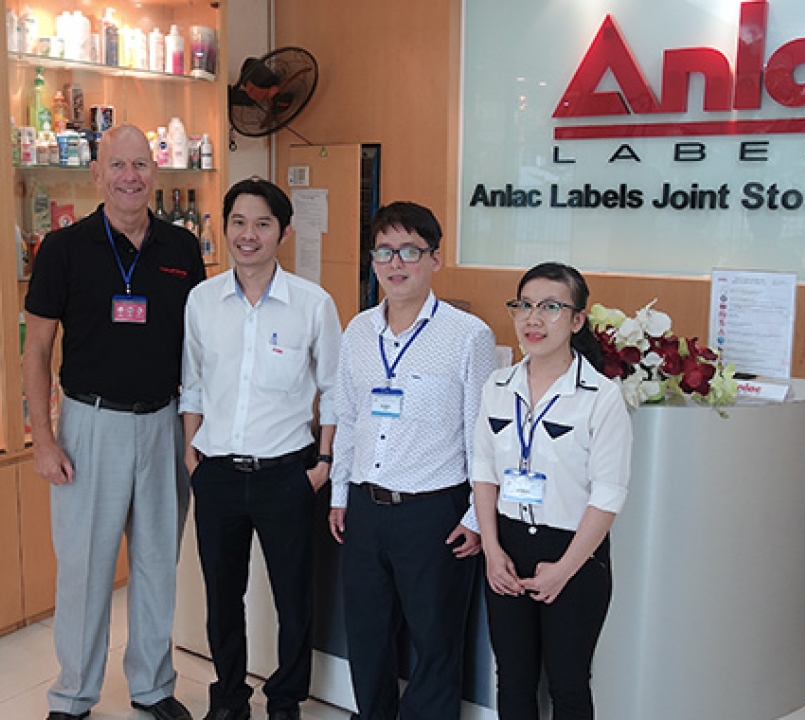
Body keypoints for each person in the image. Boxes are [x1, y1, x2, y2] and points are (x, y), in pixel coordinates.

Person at [23, 124, 204, 720]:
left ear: (156, 173)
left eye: (142, 165)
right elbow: (37, 350)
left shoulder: (180, 250)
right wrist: (43, 439)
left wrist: (192, 437)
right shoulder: (63, 249)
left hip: (162, 424)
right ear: (96, 173)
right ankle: (73, 694)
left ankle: (153, 687)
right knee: (85, 569)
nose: (131, 176)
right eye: (118, 165)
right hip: (88, 424)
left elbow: (199, 351)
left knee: (157, 565)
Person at [180, 177, 343, 720]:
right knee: (223, 598)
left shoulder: (312, 304)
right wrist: (191, 453)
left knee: (293, 600)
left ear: (285, 231)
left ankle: (285, 699)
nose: (248, 235)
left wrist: (322, 464)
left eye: (262, 224)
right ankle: (228, 698)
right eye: (238, 222)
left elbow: (335, 390)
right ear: (225, 227)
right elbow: (193, 383)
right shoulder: (202, 300)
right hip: (218, 472)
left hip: (286, 475)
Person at [328, 201, 496, 720]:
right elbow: (347, 416)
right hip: (365, 509)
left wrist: (474, 517)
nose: (395, 263)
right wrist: (339, 496)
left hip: (434, 512)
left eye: (409, 251)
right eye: (384, 251)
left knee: (436, 643)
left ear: (434, 259)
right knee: (368, 637)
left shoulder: (469, 335)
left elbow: (481, 437)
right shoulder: (357, 330)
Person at [471, 262, 633, 719]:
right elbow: (483, 469)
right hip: (507, 544)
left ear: (577, 320)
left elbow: (608, 495)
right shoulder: (497, 386)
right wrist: (491, 549)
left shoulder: (601, 397)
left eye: (550, 307)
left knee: (568, 682)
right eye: (523, 306)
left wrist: (564, 570)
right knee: (513, 679)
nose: (533, 319)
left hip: (575, 552)